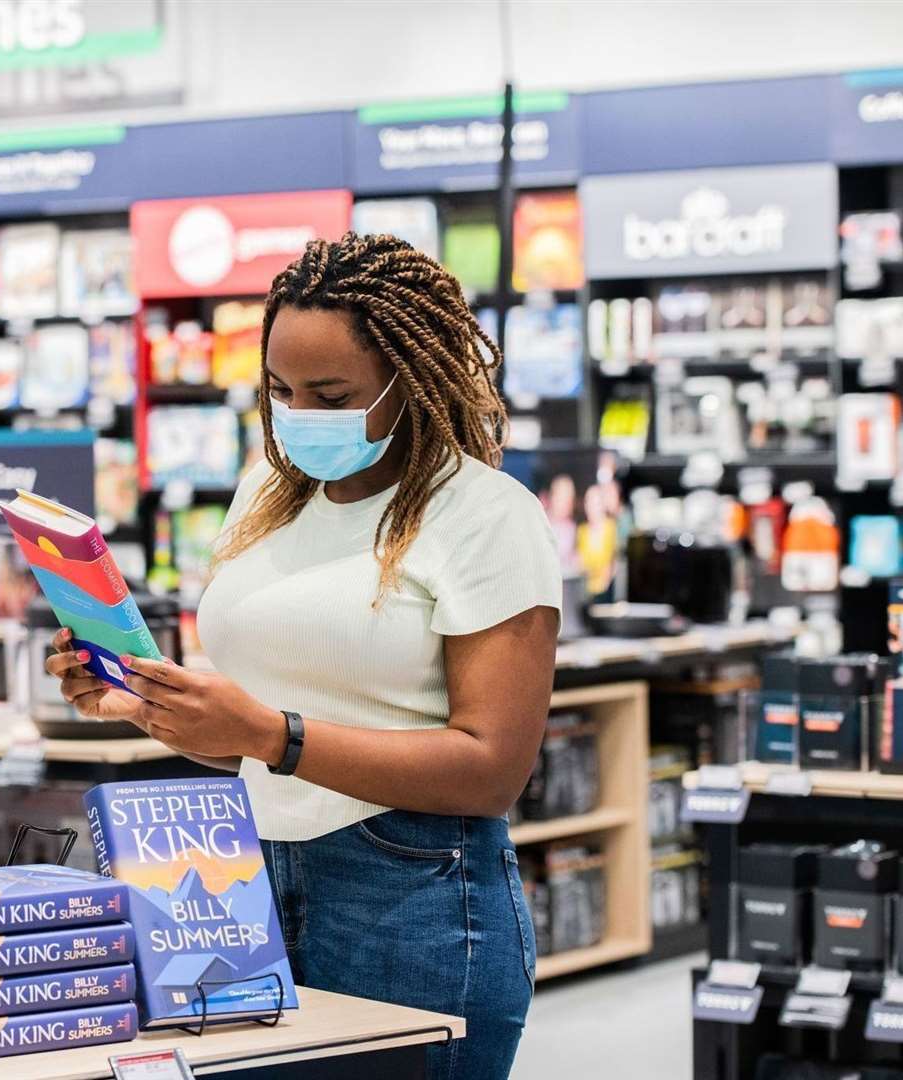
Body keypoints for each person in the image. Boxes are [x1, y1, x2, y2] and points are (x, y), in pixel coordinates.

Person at [46, 233, 560, 1080]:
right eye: (282, 390)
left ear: (415, 377)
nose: (300, 413)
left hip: (416, 897)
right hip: (245, 881)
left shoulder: (487, 517)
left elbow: (492, 770)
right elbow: (250, 734)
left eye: (332, 393)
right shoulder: (265, 495)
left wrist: (274, 736)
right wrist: (144, 704)